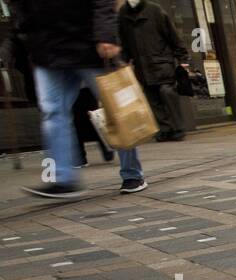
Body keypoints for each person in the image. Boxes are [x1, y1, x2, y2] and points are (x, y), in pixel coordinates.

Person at [14, 0, 146, 198]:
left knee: (115, 111)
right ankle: (64, 179)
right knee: (52, 112)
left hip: (88, 46)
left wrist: (106, 36)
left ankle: (132, 173)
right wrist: (20, 39)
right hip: (48, 52)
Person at [118, 0, 187, 141]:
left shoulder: (155, 10)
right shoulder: (123, 13)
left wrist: (182, 58)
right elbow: (123, 41)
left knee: (166, 92)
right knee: (152, 97)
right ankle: (165, 129)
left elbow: (172, 35)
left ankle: (178, 127)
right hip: (142, 66)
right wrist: (122, 62)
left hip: (161, 63)